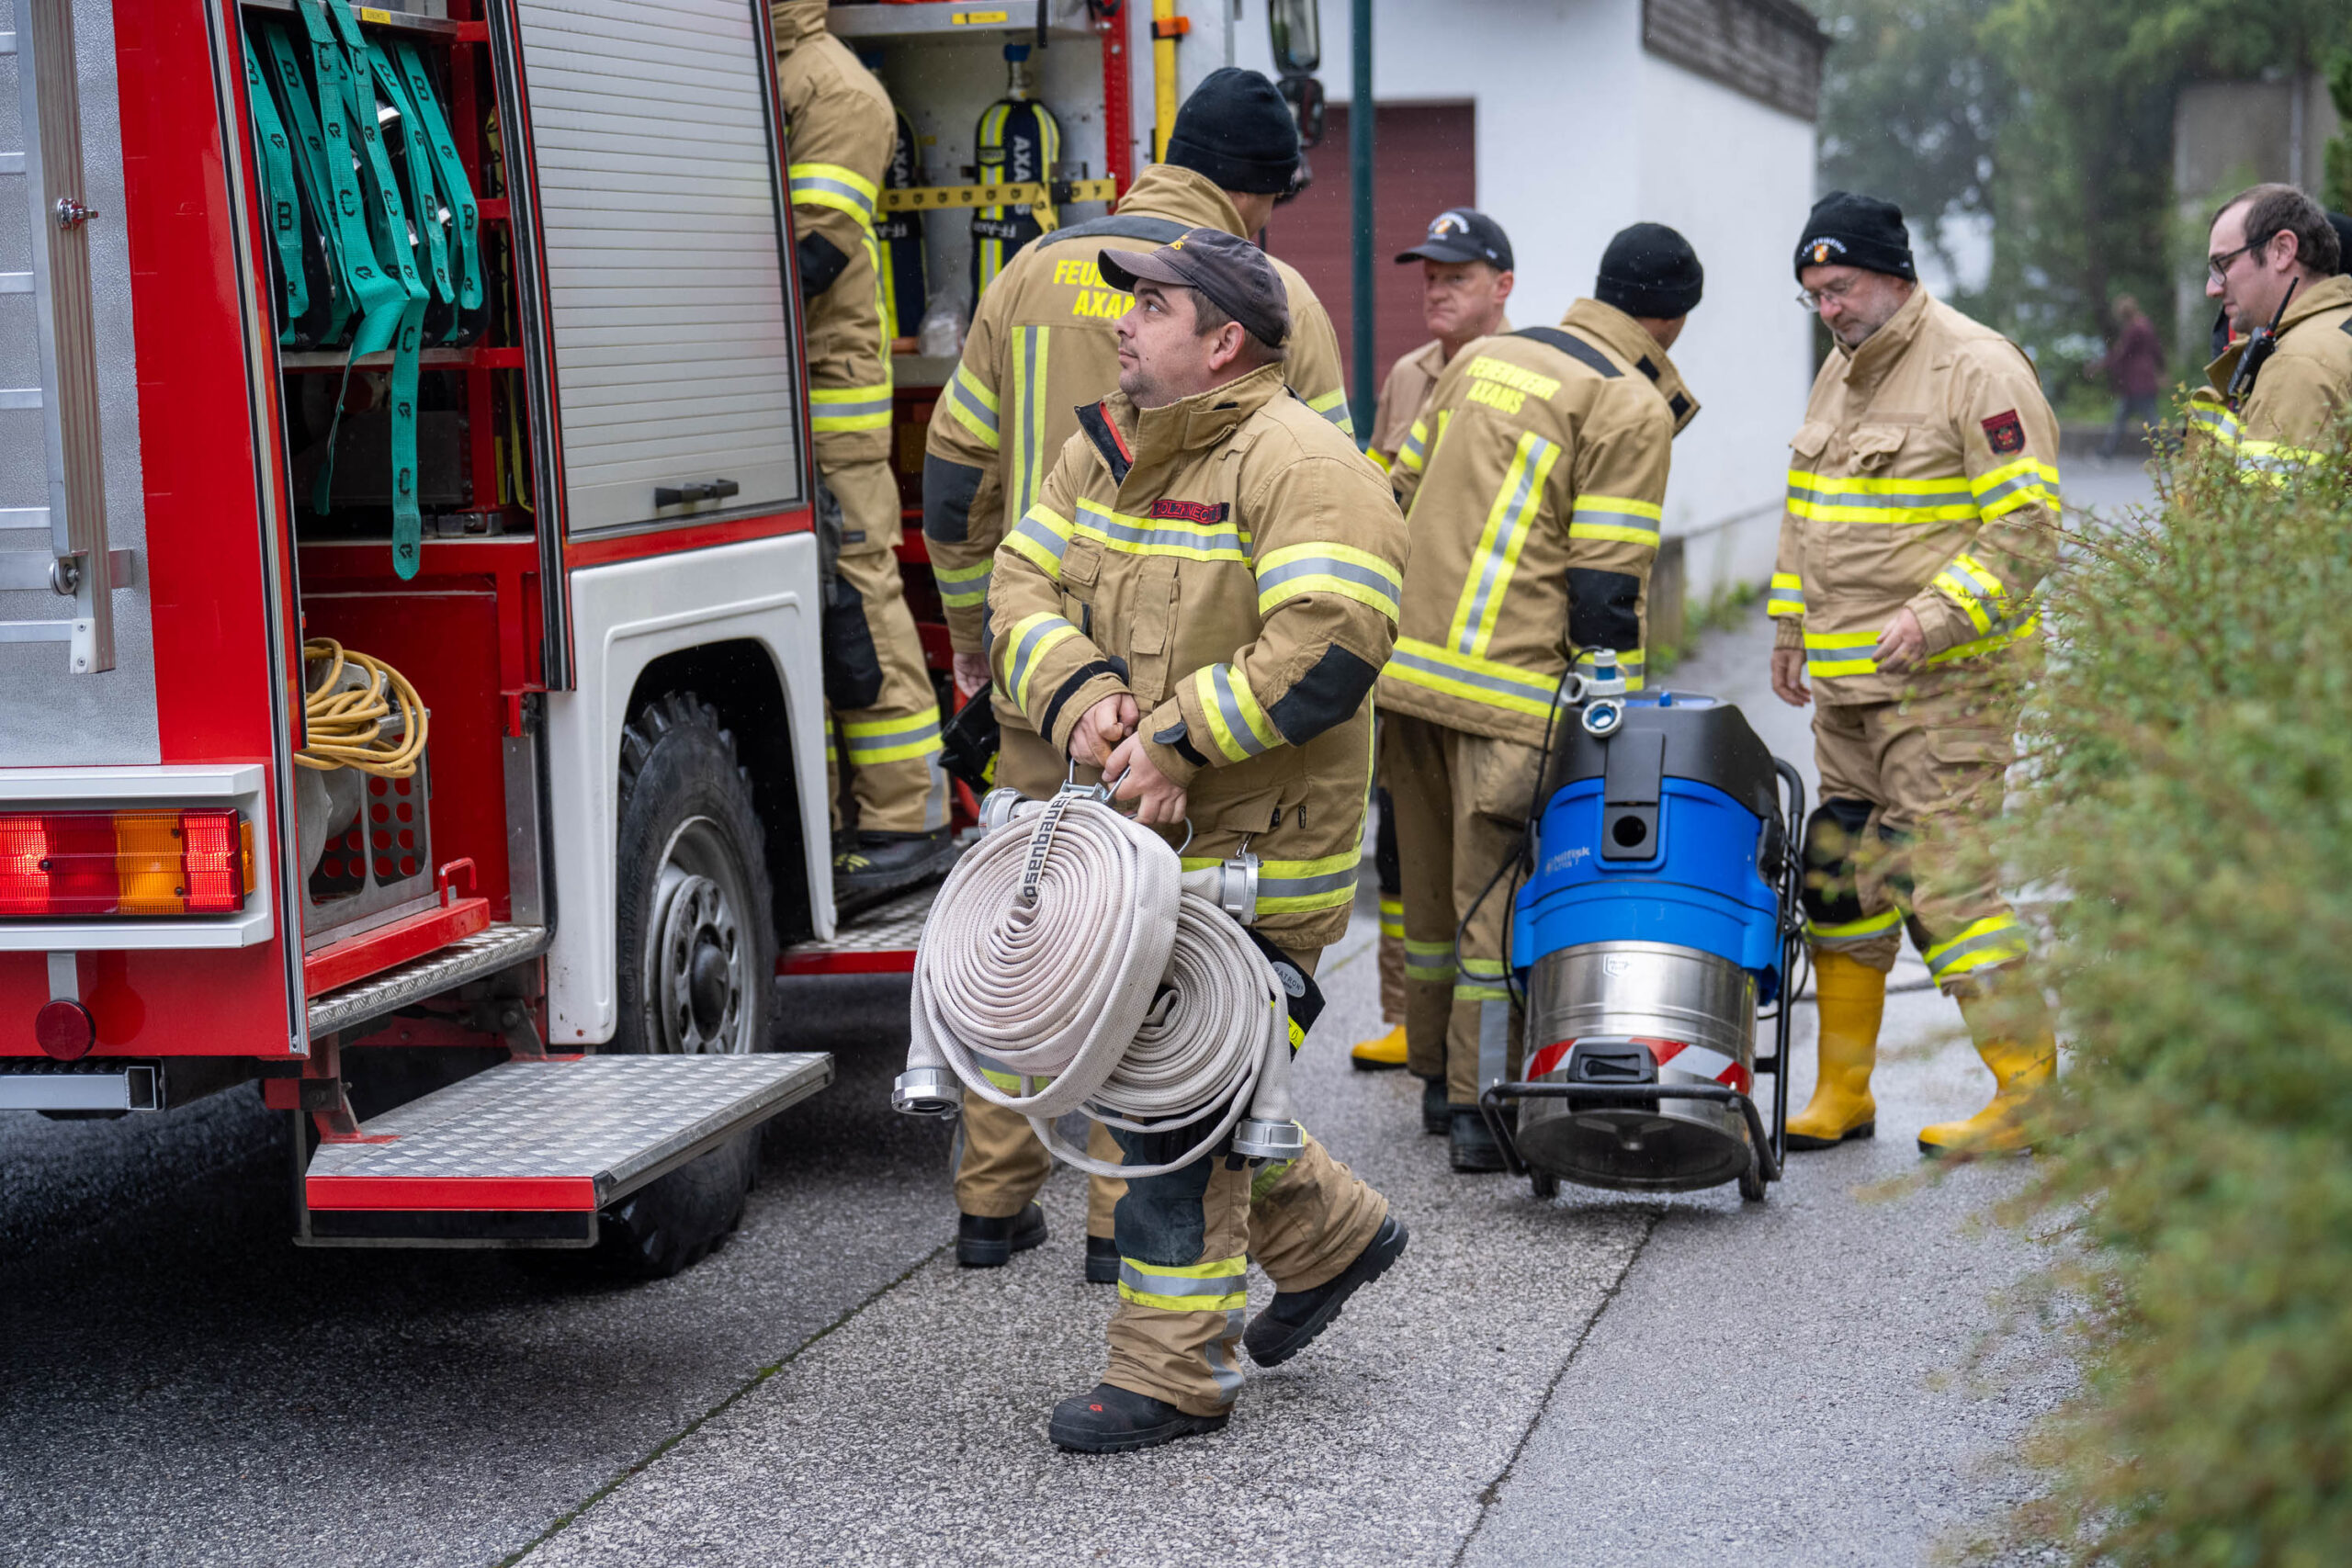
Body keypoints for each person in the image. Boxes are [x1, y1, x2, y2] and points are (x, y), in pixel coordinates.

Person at [922, 67, 1351, 1283]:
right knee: (1139, 947)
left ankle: (993, 1200)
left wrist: (973, 641)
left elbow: (955, 483)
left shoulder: (1025, 274)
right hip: (1178, 706)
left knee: (1026, 924)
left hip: (1041, 677)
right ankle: (1122, 1228)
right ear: (1255, 192)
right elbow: (1322, 485)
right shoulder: (1277, 298)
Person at [988, 228, 1408, 1453]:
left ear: (1222, 340)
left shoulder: (1303, 462)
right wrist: (1080, 695)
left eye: (1153, 306)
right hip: (1140, 851)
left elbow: (1328, 647)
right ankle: (1336, 1234)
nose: (1122, 322)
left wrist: (1173, 740)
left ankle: (1173, 1374)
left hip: (1264, 853)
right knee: (1181, 1082)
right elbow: (1020, 587)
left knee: (1174, 1107)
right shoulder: (1101, 449)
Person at [1379, 223, 1703, 1172]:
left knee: (1431, 897)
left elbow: (1395, 489)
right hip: (1506, 696)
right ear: (1672, 321)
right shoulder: (1626, 403)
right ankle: (1486, 1113)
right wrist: (1612, 721)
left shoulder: (1483, 360)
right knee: (1493, 912)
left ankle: (1438, 1083)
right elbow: (1604, 587)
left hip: (1408, 678)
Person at [1770, 191, 2062, 1158]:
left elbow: (2025, 529)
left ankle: (2026, 1093)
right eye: (1814, 293)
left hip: (1947, 692)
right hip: (1848, 694)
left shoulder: (1976, 367)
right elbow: (1804, 509)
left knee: (1947, 885)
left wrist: (1931, 617)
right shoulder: (1840, 372)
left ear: (1893, 275)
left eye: (1841, 287)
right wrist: (1786, 625)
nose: (1830, 309)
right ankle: (1843, 1091)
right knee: (1842, 876)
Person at [774, 0, 955, 913]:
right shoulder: (754, 73)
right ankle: (850, 816)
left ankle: (904, 819)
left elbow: (812, 251)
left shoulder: (835, 89)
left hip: (823, 386)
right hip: (773, 388)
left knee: (859, 585)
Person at [1351, 209, 1517, 1082]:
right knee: (1403, 843)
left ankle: (1477, 1048)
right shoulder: (1410, 375)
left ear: (1503, 287)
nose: (1436, 290)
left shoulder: (1529, 375)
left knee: (1480, 849)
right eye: (1428, 275)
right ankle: (1399, 1014)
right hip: (1404, 645)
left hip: (1487, 651)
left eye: (1456, 276)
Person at [2190, 183, 2352, 481]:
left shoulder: (2298, 363)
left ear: (2282, 250)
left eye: (2223, 263)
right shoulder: (2339, 329)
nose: (2212, 289)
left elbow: (2271, 522)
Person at [2088, 295, 2162, 459]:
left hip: (2136, 382)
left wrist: (2099, 366)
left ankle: (2169, 449)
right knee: (2142, 419)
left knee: (2143, 419)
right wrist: (2162, 370)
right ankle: (2167, 449)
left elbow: (2120, 354)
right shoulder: (2145, 325)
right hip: (2145, 379)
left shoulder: (2134, 329)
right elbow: (2156, 350)